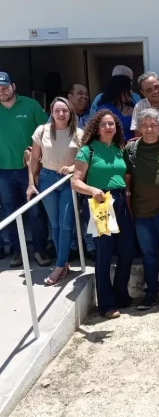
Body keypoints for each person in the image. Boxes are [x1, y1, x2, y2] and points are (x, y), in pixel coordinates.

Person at [72, 110, 134, 319]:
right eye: (104, 124)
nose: (108, 127)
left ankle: (121, 295)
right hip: (100, 203)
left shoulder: (119, 149)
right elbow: (76, 181)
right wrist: (92, 190)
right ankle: (106, 304)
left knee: (126, 250)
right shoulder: (87, 150)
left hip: (120, 202)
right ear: (96, 128)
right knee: (104, 254)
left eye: (112, 124)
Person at [124, 108, 159, 310]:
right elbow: (127, 181)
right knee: (148, 255)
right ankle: (151, 294)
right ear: (139, 127)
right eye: (145, 125)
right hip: (141, 213)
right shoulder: (130, 150)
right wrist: (129, 206)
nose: (149, 129)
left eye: (153, 125)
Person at [27, 97, 84, 285]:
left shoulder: (78, 133)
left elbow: (85, 160)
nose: (61, 114)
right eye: (57, 110)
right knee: (55, 224)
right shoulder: (41, 131)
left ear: (70, 113)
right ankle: (64, 263)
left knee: (66, 223)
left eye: (65, 110)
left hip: (69, 180)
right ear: (51, 112)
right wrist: (31, 184)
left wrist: (71, 168)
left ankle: (59, 266)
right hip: (47, 178)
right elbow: (34, 159)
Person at [0, 71, 50, 268]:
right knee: (9, 212)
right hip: (3, 171)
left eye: (5, 87)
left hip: (30, 169)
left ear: (13, 86)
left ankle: (39, 249)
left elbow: (47, 132)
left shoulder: (31, 105)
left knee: (36, 211)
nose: (2, 91)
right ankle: (17, 252)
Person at [95, 75, 135, 140]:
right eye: (127, 90)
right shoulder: (104, 110)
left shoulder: (133, 107)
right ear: (118, 91)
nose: (130, 92)